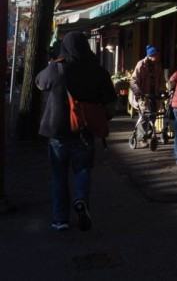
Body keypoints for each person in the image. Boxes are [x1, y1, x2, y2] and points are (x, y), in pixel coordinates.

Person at [36, 32, 116, 232]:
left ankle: (60, 220)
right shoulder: (98, 71)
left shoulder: (56, 68)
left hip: (57, 131)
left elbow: (39, 82)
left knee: (59, 176)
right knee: (83, 170)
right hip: (84, 131)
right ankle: (80, 200)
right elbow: (110, 104)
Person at [130, 45, 164, 144]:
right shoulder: (141, 64)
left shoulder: (158, 65)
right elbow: (133, 80)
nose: (158, 57)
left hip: (154, 95)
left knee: (153, 115)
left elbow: (161, 80)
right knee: (144, 116)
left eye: (158, 55)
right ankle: (142, 138)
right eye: (156, 55)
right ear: (150, 55)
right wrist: (138, 93)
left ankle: (148, 134)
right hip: (143, 95)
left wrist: (162, 90)